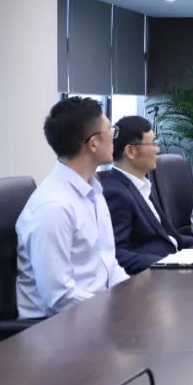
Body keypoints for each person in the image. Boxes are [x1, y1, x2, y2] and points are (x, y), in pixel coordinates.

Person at [16, 97, 130, 318]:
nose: (114, 138)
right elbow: (58, 297)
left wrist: (133, 296)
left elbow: (109, 265)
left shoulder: (93, 190)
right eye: (111, 131)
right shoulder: (53, 208)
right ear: (93, 143)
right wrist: (115, 310)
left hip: (96, 313)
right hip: (57, 326)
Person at [104, 116, 193, 274]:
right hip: (153, 276)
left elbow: (165, 236)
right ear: (131, 151)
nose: (157, 150)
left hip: (172, 263)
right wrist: (168, 263)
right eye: (152, 143)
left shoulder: (140, 184)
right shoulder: (116, 193)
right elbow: (117, 255)